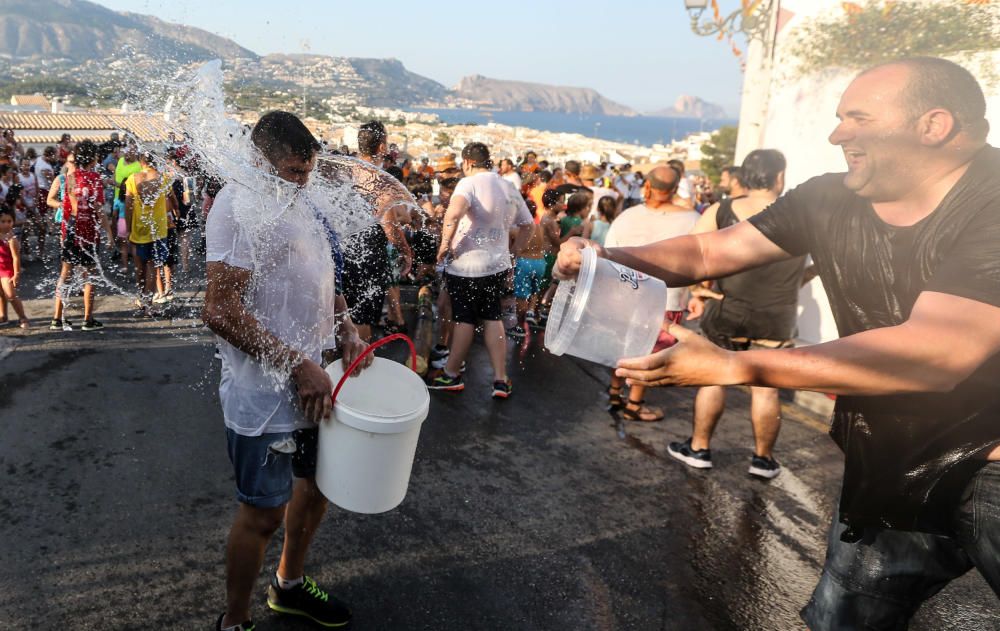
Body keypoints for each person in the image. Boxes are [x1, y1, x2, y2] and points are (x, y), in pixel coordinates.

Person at [556, 57, 1000, 628]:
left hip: (991, 464)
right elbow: (709, 253)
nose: (838, 134)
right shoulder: (829, 199)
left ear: (933, 125)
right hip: (889, 461)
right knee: (841, 620)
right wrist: (605, 258)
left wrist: (732, 365)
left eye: (857, 118)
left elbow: (937, 351)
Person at [203, 110, 371, 631]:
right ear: (259, 160)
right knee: (263, 514)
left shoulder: (297, 201)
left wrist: (345, 327)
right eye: (293, 171)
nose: (303, 181)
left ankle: (290, 587)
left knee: (316, 491)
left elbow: (317, 279)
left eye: (308, 171)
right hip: (266, 394)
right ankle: (234, 620)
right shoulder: (237, 206)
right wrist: (297, 364)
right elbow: (219, 309)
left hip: (315, 385)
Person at [667, 149, 805, 479]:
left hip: (727, 308)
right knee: (766, 388)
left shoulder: (724, 209)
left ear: (744, 176)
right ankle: (763, 460)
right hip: (777, 316)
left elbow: (693, 251)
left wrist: (698, 291)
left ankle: (699, 448)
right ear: (780, 177)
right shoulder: (804, 216)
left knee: (715, 377)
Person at [430, 142, 533, 397]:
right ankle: (500, 379)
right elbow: (529, 225)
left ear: (467, 162)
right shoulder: (508, 186)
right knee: (492, 316)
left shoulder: (469, 183)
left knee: (464, 318)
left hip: (467, 265)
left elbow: (453, 215)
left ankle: (451, 374)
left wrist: (444, 245)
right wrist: (512, 254)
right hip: (496, 265)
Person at [599, 166, 700, 422]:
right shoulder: (692, 220)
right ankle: (634, 405)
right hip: (667, 298)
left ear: (647, 186)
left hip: (626, 295)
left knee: (624, 347)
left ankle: (614, 393)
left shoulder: (627, 216)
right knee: (648, 353)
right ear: (676, 189)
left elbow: (608, 255)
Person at [50, 140, 111, 332]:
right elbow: (100, 210)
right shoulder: (96, 179)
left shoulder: (70, 177)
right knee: (90, 276)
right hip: (89, 233)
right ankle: (87, 319)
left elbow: (72, 206)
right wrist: (109, 233)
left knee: (65, 274)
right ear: (93, 158)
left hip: (71, 231)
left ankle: (57, 319)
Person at [125, 151, 175, 310]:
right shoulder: (163, 178)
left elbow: (128, 205)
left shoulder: (132, 179)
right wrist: (176, 212)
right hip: (158, 229)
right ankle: (148, 301)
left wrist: (127, 228)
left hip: (139, 227)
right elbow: (170, 199)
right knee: (154, 266)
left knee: (140, 266)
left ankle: (141, 296)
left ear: (141, 162)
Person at [0, 207, 29, 328]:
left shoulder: (11, 239)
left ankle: (23, 317)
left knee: (11, 295)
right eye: (3, 221)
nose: (7, 224)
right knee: (1, 294)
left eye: (9, 221)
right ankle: (3, 316)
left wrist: (16, 274)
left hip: (7, 270)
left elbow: (16, 258)